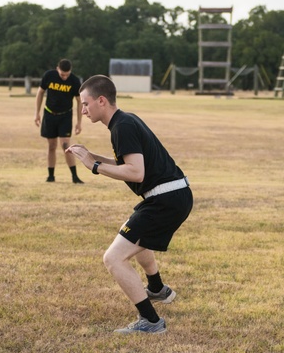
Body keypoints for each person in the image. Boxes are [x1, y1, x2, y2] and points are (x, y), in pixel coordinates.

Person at [66, 75, 192, 334]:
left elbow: (136, 173)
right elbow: (129, 164)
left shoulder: (121, 127)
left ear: (101, 100)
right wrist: (92, 157)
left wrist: (95, 167)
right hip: (172, 195)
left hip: (165, 200)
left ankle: (151, 322)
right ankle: (157, 289)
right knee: (133, 233)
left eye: (86, 103)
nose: (83, 110)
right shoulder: (125, 120)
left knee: (113, 258)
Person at [35, 58, 84, 183]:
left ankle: (75, 177)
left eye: (67, 75)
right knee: (51, 146)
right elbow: (40, 93)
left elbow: (79, 101)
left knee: (65, 145)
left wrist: (79, 122)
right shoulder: (49, 76)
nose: (64, 77)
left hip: (65, 116)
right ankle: (51, 176)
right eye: (62, 74)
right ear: (58, 69)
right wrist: (37, 113)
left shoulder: (74, 81)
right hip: (50, 114)